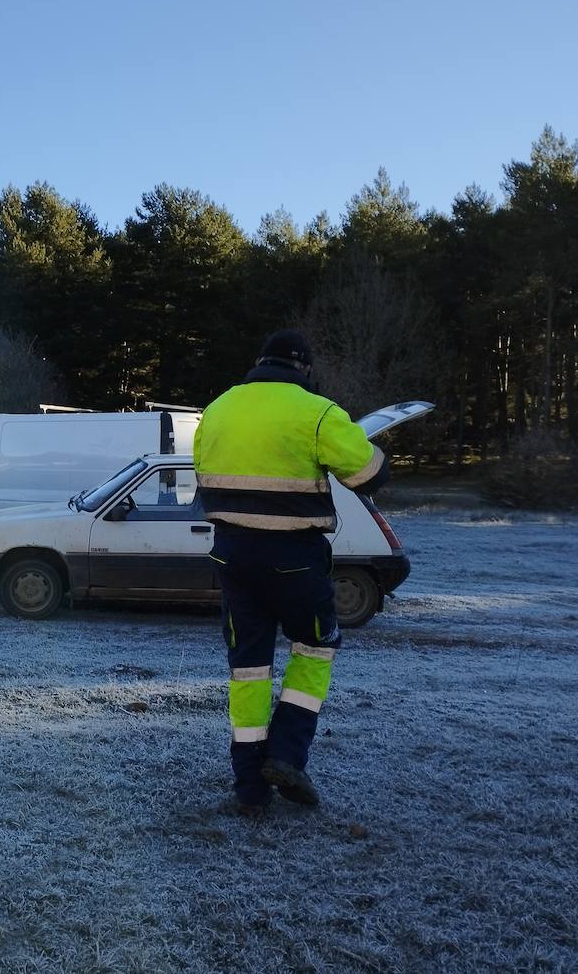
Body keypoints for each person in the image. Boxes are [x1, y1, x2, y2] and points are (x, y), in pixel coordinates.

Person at [193, 330, 388, 815]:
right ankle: (286, 754)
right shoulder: (317, 411)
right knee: (316, 647)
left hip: (233, 557)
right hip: (295, 558)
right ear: (303, 369)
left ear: (258, 363)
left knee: (249, 668)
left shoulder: (216, 410)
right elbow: (369, 474)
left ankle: (249, 787)